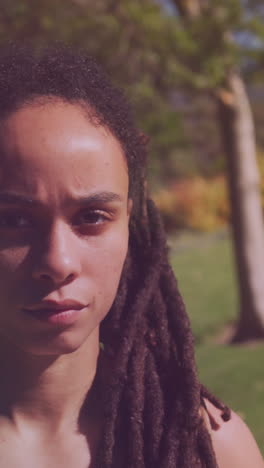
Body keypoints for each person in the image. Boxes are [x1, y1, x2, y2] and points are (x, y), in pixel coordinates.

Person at [0, 43, 262, 468]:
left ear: (130, 225)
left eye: (92, 217)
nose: (57, 262)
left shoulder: (205, 448)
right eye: (13, 220)